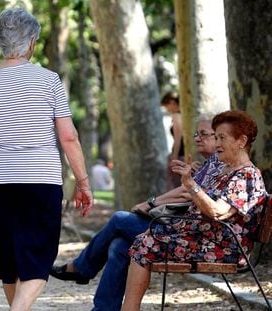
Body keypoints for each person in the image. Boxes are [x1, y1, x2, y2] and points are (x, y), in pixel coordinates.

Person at [0, 7, 93, 311]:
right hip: (41, 181)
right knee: (38, 260)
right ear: (32, 42)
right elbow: (69, 137)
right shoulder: (49, 81)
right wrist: (83, 181)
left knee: (9, 262)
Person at [50, 113, 224, 310]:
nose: (197, 138)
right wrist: (152, 202)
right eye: (196, 134)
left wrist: (150, 204)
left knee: (119, 219)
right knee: (119, 245)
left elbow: (188, 194)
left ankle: (81, 269)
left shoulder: (221, 166)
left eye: (205, 134)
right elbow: (186, 191)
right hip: (180, 226)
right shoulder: (209, 165)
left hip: (188, 234)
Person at [122, 110, 267, 311]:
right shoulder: (227, 171)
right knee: (138, 240)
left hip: (225, 248)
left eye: (222, 138)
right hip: (205, 238)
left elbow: (218, 212)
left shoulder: (246, 176)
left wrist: (191, 185)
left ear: (241, 141)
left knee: (144, 243)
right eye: (216, 137)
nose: (217, 144)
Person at [161, 91, 184, 190]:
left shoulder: (176, 116)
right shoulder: (184, 115)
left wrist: (174, 157)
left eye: (166, 106)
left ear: (171, 102)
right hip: (183, 153)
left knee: (174, 185)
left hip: (179, 154)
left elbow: (178, 139)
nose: (167, 109)